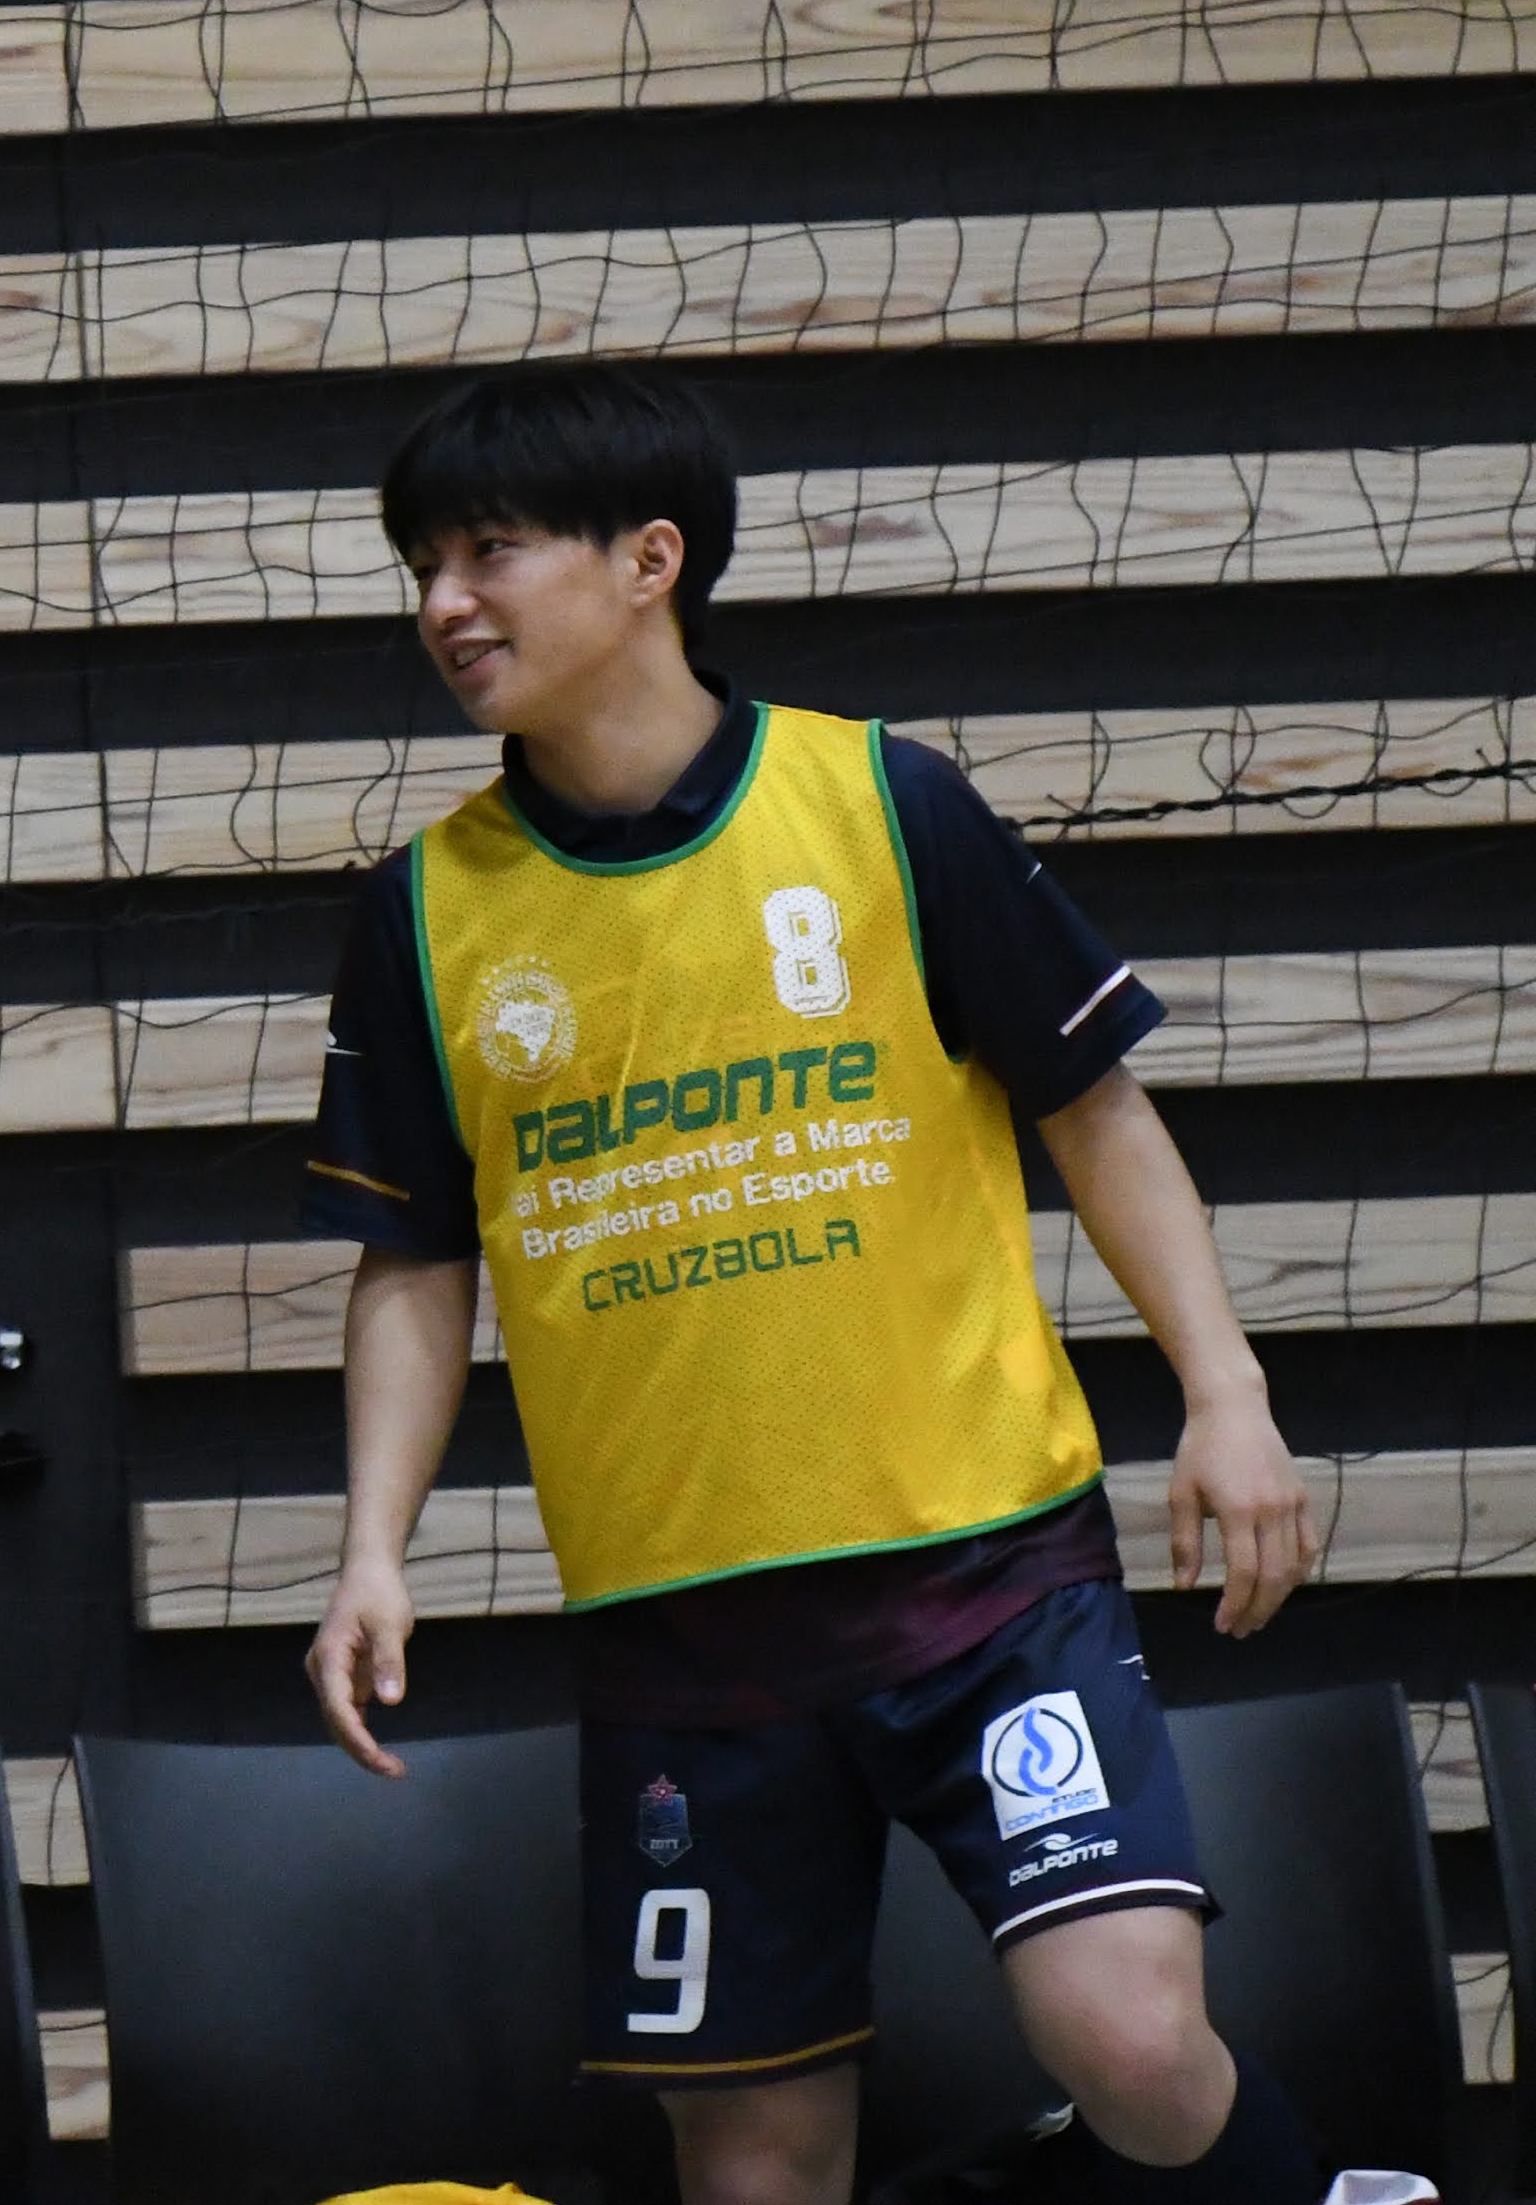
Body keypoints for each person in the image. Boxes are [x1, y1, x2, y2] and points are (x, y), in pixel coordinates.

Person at [299, 362, 1324, 2205]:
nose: (441, 602)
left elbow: (1093, 1109)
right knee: (755, 2167)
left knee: (1131, 2037)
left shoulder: (881, 803)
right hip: (682, 1642)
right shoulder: (423, 910)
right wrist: (372, 1543)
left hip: (982, 1574)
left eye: (487, 552)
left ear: (648, 562)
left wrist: (1225, 1394)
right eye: (419, 565)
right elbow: (414, 1261)